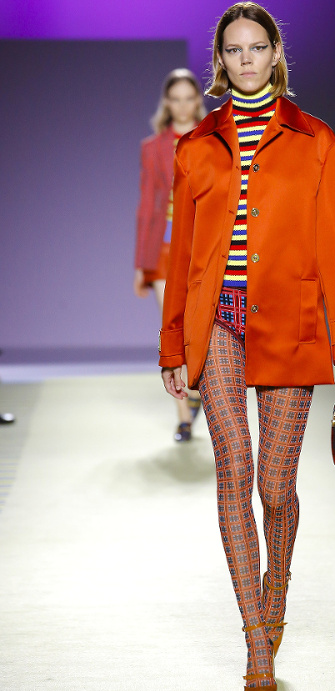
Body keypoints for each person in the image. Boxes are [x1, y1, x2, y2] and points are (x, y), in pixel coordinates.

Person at [158, 3, 335, 691]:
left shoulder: (316, 139)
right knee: (233, 470)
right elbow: (182, 254)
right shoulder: (196, 146)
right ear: (220, 60)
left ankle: (277, 587)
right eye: (233, 49)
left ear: (276, 53)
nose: (245, 59)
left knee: (275, 488)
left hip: (290, 322)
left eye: (256, 47)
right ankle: (255, 636)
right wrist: (171, 344)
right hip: (217, 322)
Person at [134, 68, 206, 441]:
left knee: (199, 325)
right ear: (167, 102)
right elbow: (147, 205)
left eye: (188, 98)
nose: (182, 106)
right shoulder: (153, 147)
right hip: (164, 247)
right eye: (175, 99)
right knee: (171, 325)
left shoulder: (213, 138)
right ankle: (182, 414)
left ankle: (194, 391)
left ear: (198, 100)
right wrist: (140, 264)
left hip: (203, 245)